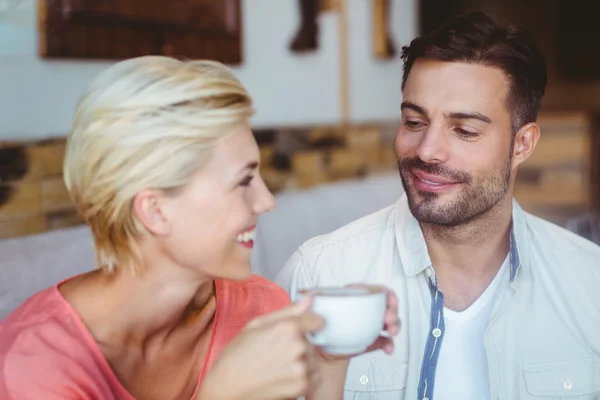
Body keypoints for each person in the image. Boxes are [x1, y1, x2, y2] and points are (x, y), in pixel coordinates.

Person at [0, 56, 399, 400]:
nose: (266, 202)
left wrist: (329, 359)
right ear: (155, 211)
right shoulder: (34, 362)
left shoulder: (260, 309)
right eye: (243, 181)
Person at [276, 11, 600, 400]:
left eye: (464, 131)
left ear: (522, 144)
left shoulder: (589, 284)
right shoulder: (319, 275)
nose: (427, 151)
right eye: (414, 122)